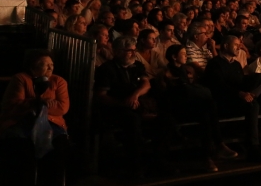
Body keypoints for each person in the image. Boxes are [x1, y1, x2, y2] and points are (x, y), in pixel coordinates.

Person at [158, 45, 237, 172]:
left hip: (191, 105)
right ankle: (216, 147)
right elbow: (169, 95)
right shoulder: (166, 73)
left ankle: (209, 154)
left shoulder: (186, 70)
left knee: (207, 109)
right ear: (174, 57)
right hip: (176, 108)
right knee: (207, 107)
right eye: (183, 53)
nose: (186, 56)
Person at [0, 49, 70, 185]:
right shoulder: (21, 79)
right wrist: (37, 102)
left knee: (59, 147)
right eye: (45, 64)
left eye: (52, 64)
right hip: (21, 121)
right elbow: (12, 105)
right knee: (21, 149)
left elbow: (62, 107)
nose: (50, 68)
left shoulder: (58, 81)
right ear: (33, 67)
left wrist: (38, 104)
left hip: (52, 123)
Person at [95, 36, 160, 176]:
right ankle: (135, 166)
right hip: (116, 108)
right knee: (132, 121)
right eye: (129, 51)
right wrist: (124, 103)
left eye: (134, 50)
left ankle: (159, 162)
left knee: (165, 119)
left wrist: (135, 96)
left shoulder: (137, 66)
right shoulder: (106, 69)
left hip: (138, 104)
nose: (133, 53)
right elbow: (101, 95)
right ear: (118, 51)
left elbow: (146, 84)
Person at [202, 35, 261, 161]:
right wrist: (240, 93)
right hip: (222, 102)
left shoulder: (236, 64)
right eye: (236, 45)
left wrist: (248, 92)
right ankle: (253, 148)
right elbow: (219, 86)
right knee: (252, 105)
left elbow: (241, 82)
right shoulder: (215, 63)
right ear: (226, 46)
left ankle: (253, 147)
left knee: (260, 84)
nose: (239, 47)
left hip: (237, 99)